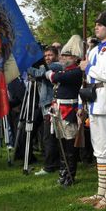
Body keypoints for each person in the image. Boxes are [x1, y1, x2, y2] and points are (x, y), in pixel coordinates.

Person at [78, 10, 106, 209]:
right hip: (94, 102)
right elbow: (88, 80)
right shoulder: (94, 50)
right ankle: (100, 191)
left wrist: (88, 68)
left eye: (100, 24)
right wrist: (82, 104)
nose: (96, 27)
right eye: (95, 24)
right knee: (99, 150)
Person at [46, 35, 84, 187]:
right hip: (59, 110)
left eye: (66, 55)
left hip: (69, 110)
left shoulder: (75, 72)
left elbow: (54, 77)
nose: (62, 57)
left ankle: (69, 174)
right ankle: (63, 172)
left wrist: (51, 75)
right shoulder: (67, 70)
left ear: (75, 57)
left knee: (69, 145)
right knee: (61, 143)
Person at [29, 46, 62, 176]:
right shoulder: (46, 67)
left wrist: (26, 67)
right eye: (46, 55)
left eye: (50, 55)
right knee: (49, 137)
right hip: (46, 105)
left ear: (56, 55)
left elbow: (39, 73)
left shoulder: (56, 66)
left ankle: (49, 166)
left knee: (49, 137)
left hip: (52, 106)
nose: (48, 57)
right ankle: (55, 163)